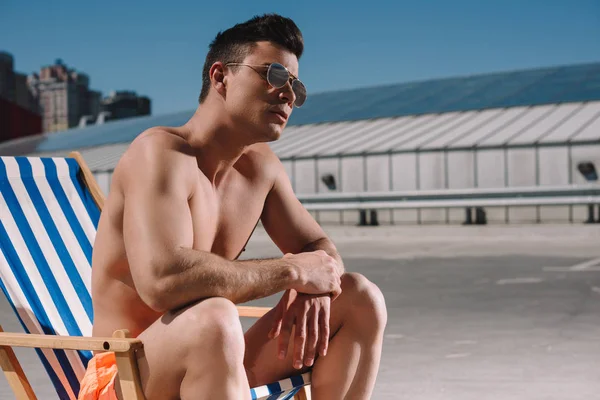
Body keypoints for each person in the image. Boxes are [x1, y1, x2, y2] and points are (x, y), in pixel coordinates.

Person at [80, 13, 387, 400]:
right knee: (214, 317)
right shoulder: (159, 153)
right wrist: (292, 272)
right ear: (220, 76)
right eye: (274, 74)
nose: (289, 94)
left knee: (359, 296)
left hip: (214, 361)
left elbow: (322, 252)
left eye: (296, 86)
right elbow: (162, 283)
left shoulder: (261, 170)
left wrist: (318, 289)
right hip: (123, 377)